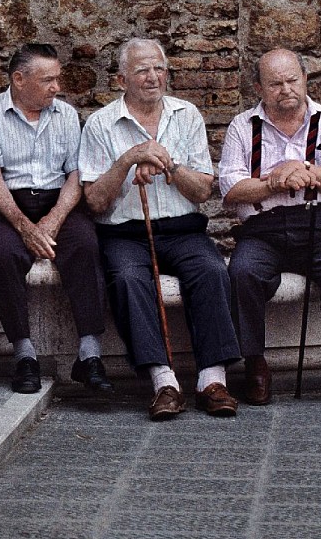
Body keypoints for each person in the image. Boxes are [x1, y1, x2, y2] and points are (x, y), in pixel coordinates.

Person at [80, 38, 241, 420]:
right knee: (128, 279)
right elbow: (95, 201)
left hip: (184, 229)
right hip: (124, 233)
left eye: (159, 69)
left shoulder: (186, 115)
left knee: (213, 271)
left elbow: (203, 190)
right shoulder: (101, 123)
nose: (153, 77)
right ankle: (163, 382)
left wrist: (169, 165)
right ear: (121, 80)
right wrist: (129, 160)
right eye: (142, 71)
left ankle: (212, 381)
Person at [219, 48, 321, 407]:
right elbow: (230, 190)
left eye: (292, 80)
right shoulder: (243, 126)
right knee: (242, 273)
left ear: (305, 79)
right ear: (259, 87)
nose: (286, 89)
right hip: (263, 229)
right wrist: (274, 181)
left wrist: (303, 169)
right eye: (275, 83)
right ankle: (255, 365)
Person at [0, 43, 114, 396]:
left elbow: (75, 176)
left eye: (57, 78)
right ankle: (24, 355)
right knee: (2, 254)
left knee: (84, 245)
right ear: (19, 79)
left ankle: (90, 353)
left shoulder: (65, 115)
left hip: (58, 200)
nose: (56, 87)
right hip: (7, 205)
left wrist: (52, 220)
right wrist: (24, 227)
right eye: (48, 80)